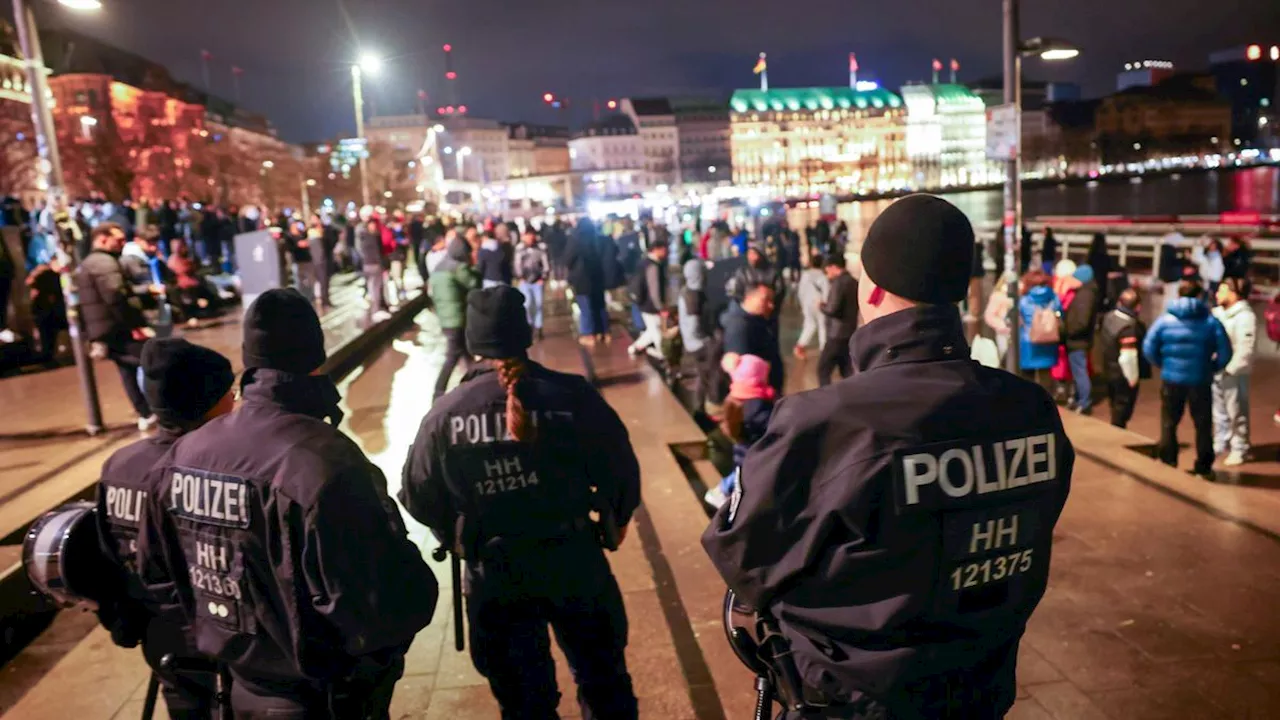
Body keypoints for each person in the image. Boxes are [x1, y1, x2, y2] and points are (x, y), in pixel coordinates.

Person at [702, 194, 1073, 719]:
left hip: (854, 701)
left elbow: (741, 556)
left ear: (871, 288)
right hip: (981, 690)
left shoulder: (824, 423)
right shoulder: (1030, 410)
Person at [137, 289, 438, 717]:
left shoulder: (181, 458)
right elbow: (380, 604)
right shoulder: (324, 461)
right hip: (324, 698)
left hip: (238, 686)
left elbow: (159, 574)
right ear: (315, 356)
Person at [399, 286, 640, 719]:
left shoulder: (444, 415)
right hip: (575, 561)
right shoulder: (574, 396)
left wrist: (454, 534)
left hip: (497, 574)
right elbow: (620, 467)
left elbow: (418, 494)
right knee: (604, 684)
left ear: (473, 343)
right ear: (524, 334)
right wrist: (614, 517)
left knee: (525, 704)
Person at [94, 338, 235, 720]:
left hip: (160, 634)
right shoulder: (216, 470)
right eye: (229, 393)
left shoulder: (119, 465)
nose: (235, 401)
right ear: (209, 401)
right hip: (223, 636)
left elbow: (108, 555)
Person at [1143, 281, 1232, 478]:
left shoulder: (1165, 320)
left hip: (1171, 379)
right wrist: (1211, 368)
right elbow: (1226, 352)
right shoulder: (1210, 321)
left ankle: (1168, 460)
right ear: (1199, 296)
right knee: (1203, 425)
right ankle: (1203, 466)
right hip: (1200, 379)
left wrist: (1164, 364)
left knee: (1169, 422)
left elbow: (1149, 348)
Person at [78, 222, 156, 430]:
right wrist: (136, 325)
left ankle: (146, 413)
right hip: (119, 327)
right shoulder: (105, 263)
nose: (123, 243)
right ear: (102, 239)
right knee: (154, 361)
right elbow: (116, 296)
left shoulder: (89, 263)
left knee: (127, 370)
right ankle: (163, 410)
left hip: (106, 329)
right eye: (118, 239)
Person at [703, 354, 776, 509]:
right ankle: (721, 492)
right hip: (752, 454)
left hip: (743, 450)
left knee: (740, 474)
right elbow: (771, 425)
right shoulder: (756, 406)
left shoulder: (736, 398)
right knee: (742, 477)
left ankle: (724, 492)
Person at [429, 235, 481, 400]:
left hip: (445, 319)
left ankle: (475, 383)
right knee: (453, 356)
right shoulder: (458, 268)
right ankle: (438, 391)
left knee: (467, 353)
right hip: (458, 319)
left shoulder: (438, 267)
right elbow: (474, 284)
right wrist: (474, 266)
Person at [1212, 277, 1256, 467]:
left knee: (1236, 411)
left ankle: (1240, 447)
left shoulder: (1245, 317)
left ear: (1234, 293)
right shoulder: (1218, 313)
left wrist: (1231, 370)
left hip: (1233, 373)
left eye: (1222, 290)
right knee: (1218, 411)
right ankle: (1221, 441)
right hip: (1216, 370)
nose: (1217, 294)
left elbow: (1245, 348)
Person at [721, 283, 783, 396]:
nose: (771, 305)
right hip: (757, 395)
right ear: (749, 298)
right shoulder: (739, 327)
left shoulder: (759, 320)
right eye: (766, 300)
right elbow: (742, 373)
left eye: (772, 301)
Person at [1098, 289, 1147, 429]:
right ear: (1137, 306)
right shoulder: (1129, 328)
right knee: (1122, 410)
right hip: (1123, 375)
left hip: (1109, 370)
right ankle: (1118, 435)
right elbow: (1128, 358)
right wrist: (1133, 378)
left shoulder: (1109, 317)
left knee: (1114, 404)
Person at [1062, 264, 1101, 414]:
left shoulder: (1085, 295)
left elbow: (1081, 322)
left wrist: (1068, 331)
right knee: (1078, 371)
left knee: (1080, 372)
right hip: (1078, 340)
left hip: (1078, 341)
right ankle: (1079, 399)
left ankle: (1084, 403)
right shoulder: (1085, 293)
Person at [678, 259, 715, 416]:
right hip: (699, 344)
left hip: (691, 343)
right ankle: (701, 410)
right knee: (707, 376)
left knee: (703, 375)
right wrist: (707, 340)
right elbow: (694, 326)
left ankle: (700, 407)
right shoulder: (694, 297)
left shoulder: (686, 291)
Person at [565, 219, 609, 346]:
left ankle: (589, 334)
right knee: (599, 306)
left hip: (582, 279)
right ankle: (604, 332)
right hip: (598, 277)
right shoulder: (598, 239)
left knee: (585, 307)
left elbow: (568, 259)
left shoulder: (575, 240)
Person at [816, 254, 859, 386]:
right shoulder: (853, 281)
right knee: (846, 370)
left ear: (834, 267)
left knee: (822, 369)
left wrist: (821, 306)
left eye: (827, 270)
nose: (826, 274)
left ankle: (827, 400)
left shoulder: (839, 283)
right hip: (849, 331)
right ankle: (850, 398)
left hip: (836, 333)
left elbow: (832, 309)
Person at [627, 241, 670, 359]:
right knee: (657, 331)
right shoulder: (653, 266)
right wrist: (660, 307)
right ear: (656, 249)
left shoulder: (644, 263)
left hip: (643, 303)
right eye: (664, 249)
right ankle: (663, 353)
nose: (666, 252)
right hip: (650, 305)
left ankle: (635, 347)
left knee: (652, 330)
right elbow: (654, 289)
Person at [1018, 269, 1061, 385]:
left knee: (1026, 379)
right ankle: (1046, 401)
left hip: (1028, 342)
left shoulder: (1024, 300)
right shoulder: (1054, 298)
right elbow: (1060, 312)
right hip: (1049, 340)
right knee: (1046, 377)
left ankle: (1028, 401)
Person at [514, 226, 549, 340]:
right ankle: (529, 326)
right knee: (527, 304)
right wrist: (520, 277)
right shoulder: (520, 248)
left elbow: (545, 263)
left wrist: (543, 277)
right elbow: (517, 263)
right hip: (525, 281)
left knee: (538, 304)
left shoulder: (540, 247)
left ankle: (539, 328)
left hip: (537, 281)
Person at [793, 254, 829, 360]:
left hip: (807, 304)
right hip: (820, 304)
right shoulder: (823, 277)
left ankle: (800, 346)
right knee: (823, 327)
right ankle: (824, 350)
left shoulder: (805, 275)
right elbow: (826, 293)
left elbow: (800, 291)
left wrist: (801, 303)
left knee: (809, 325)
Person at [358, 216, 388, 316]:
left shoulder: (362, 236)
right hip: (375, 264)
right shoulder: (374, 237)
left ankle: (375, 309)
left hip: (366, 264)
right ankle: (376, 310)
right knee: (376, 288)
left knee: (372, 287)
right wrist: (382, 264)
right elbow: (377, 252)